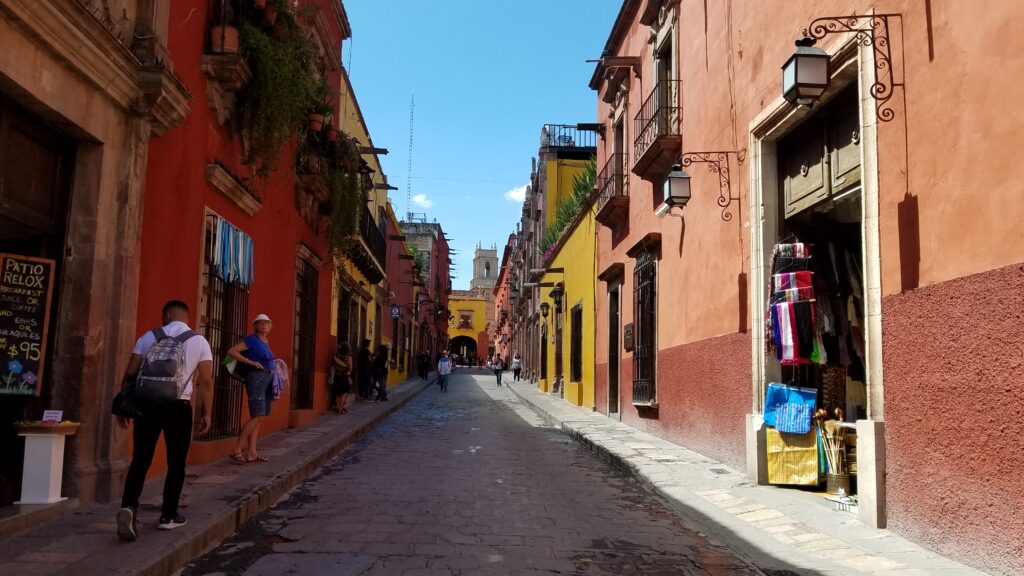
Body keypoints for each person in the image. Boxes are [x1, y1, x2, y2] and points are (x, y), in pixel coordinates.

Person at [116, 300, 213, 541]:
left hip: (146, 404)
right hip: (178, 406)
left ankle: (129, 507)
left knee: (141, 459)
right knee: (176, 462)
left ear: (166, 314)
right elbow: (207, 381)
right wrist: (206, 412)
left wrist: (123, 408)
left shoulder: (147, 337)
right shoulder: (198, 341)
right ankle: (168, 515)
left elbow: (129, 374)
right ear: (187, 317)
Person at [228, 314, 276, 464]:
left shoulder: (265, 341)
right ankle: (237, 449)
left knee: (259, 417)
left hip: (267, 379)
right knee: (257, 416)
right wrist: (250, 362)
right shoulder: (252, 340)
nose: (263, 325)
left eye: (266, 323)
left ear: (270, 326)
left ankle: (252, 453)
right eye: (259, 323)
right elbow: (232, 351)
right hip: (257, 378)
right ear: (255, 326)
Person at [330, 342, 352, 414]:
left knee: (337, 393)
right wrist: (347, 375)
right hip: (344, 377)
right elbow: (350, 369)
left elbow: (333, 365)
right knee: (344, 393)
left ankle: (338, 407)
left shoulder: (336, 356)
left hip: (337, 376)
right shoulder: (349, 357)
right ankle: (341, 409)